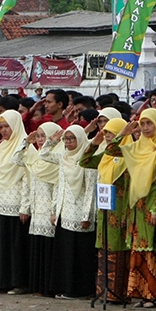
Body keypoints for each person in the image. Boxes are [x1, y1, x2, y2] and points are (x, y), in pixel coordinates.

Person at [113, 108, 156, 307]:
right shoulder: (136, 148)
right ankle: (140, 293)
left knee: (153, 252)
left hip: (151, 207)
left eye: (149, 123)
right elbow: (109, 151)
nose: (146, 128)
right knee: (137, 251)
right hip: (135, 208)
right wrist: (123, 134)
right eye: (143, 124)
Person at [0, 110, 30, 293]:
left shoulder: (24, 145)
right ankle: (1, 281)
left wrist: (25, 206)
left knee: (15, 245)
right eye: (1, 126)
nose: (4, 130)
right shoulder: (1, 145)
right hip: (0, 200)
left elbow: (26, 178)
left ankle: (18, 283)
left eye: (7, 126)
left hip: (16, 203)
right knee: (0, 244)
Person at [82, 115, 130, 303]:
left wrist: (122, 137)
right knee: (104, 252)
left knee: (117, 252)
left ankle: (117, 293)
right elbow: (84, 162)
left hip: (120, 211)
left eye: (112, 133)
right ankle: (103, 291)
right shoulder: (106, 156)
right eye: (107, 132)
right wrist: (94, 142)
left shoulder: (128, 153)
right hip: (104, 211)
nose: (108, 136)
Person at [50, 125, 97, 299]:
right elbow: (44, 155)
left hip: (80, 215)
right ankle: (66, 288)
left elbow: (91, 189)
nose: (68, 142)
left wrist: (87, 216)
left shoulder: (87, 159)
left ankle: (81, 290)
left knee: (80, 255)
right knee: (66, 253)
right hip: (64, 212)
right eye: (66, 139)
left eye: (72, 139)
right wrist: (52, 140)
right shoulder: (64, 157)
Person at [19, 122, 63, 296]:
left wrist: (53, 211)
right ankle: (37, 286)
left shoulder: (55, 158)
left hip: (49, 212)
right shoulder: (36, 159)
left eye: (43, 136)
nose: (39, 140)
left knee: (49, 249)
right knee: (37, 248)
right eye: (38, 136)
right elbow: (17, 160)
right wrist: (26, 143)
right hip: (37, 210)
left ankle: (48, 288)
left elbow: (57, 187)